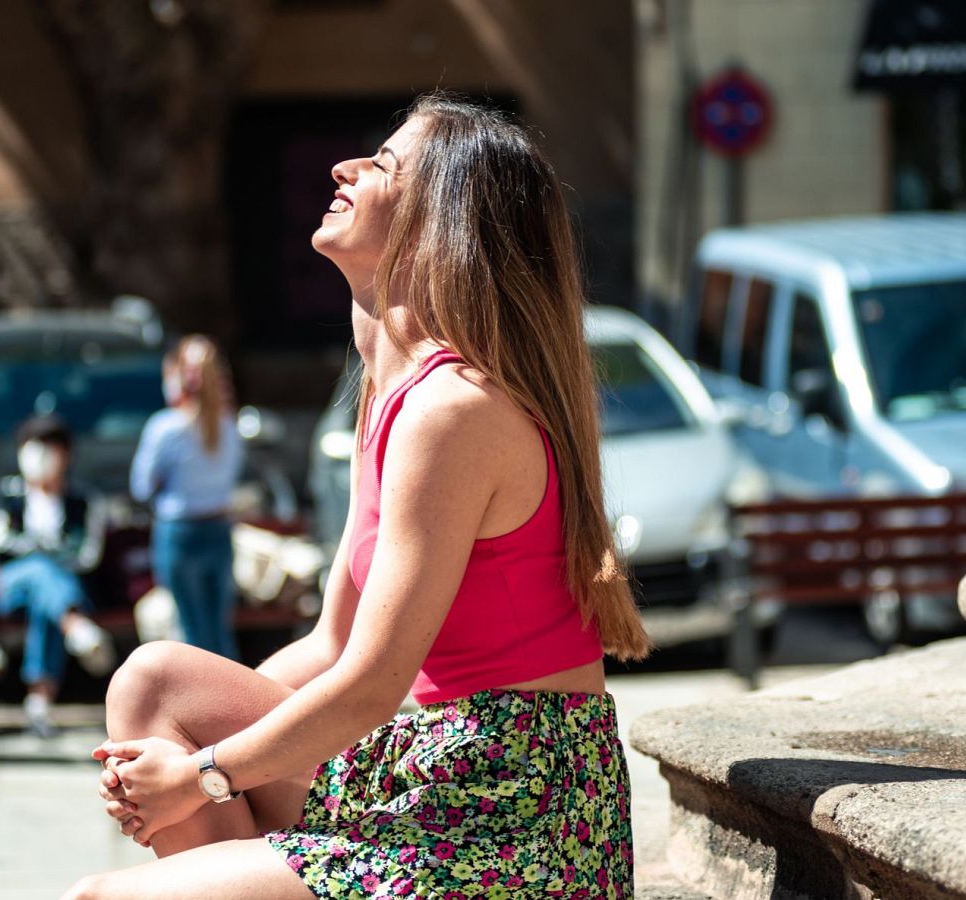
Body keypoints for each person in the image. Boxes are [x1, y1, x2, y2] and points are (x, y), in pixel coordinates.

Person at [64, 94, 649, 899]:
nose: (345, 167)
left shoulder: (456, 410)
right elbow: (332, 646)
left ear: (440, 222)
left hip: (516, 815)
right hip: (430, 770)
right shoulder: (395, 398)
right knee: (154, 683)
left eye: (383, 164)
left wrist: (201, 777)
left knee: (99, 898)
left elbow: (372, 682)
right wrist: (191, 766)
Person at [0, 415, 115, 738]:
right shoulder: (7, 495)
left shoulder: (84, 501)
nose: (40, 456)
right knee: (44, 574)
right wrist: (47, 551)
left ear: (65, 455)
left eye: (50, 448)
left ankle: (39, 705)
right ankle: (77, 627)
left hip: (57, 590)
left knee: (47, 601)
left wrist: (40, 551)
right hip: (11, 588)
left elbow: (87, 554)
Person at [129, 335, 244, 660]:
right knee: (219, 630)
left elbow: (141, 486)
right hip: (219, 527)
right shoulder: (228, 424)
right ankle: (233, 707)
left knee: (191, 630)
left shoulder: (166, 427)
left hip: (180, 532)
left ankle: (204, 710)